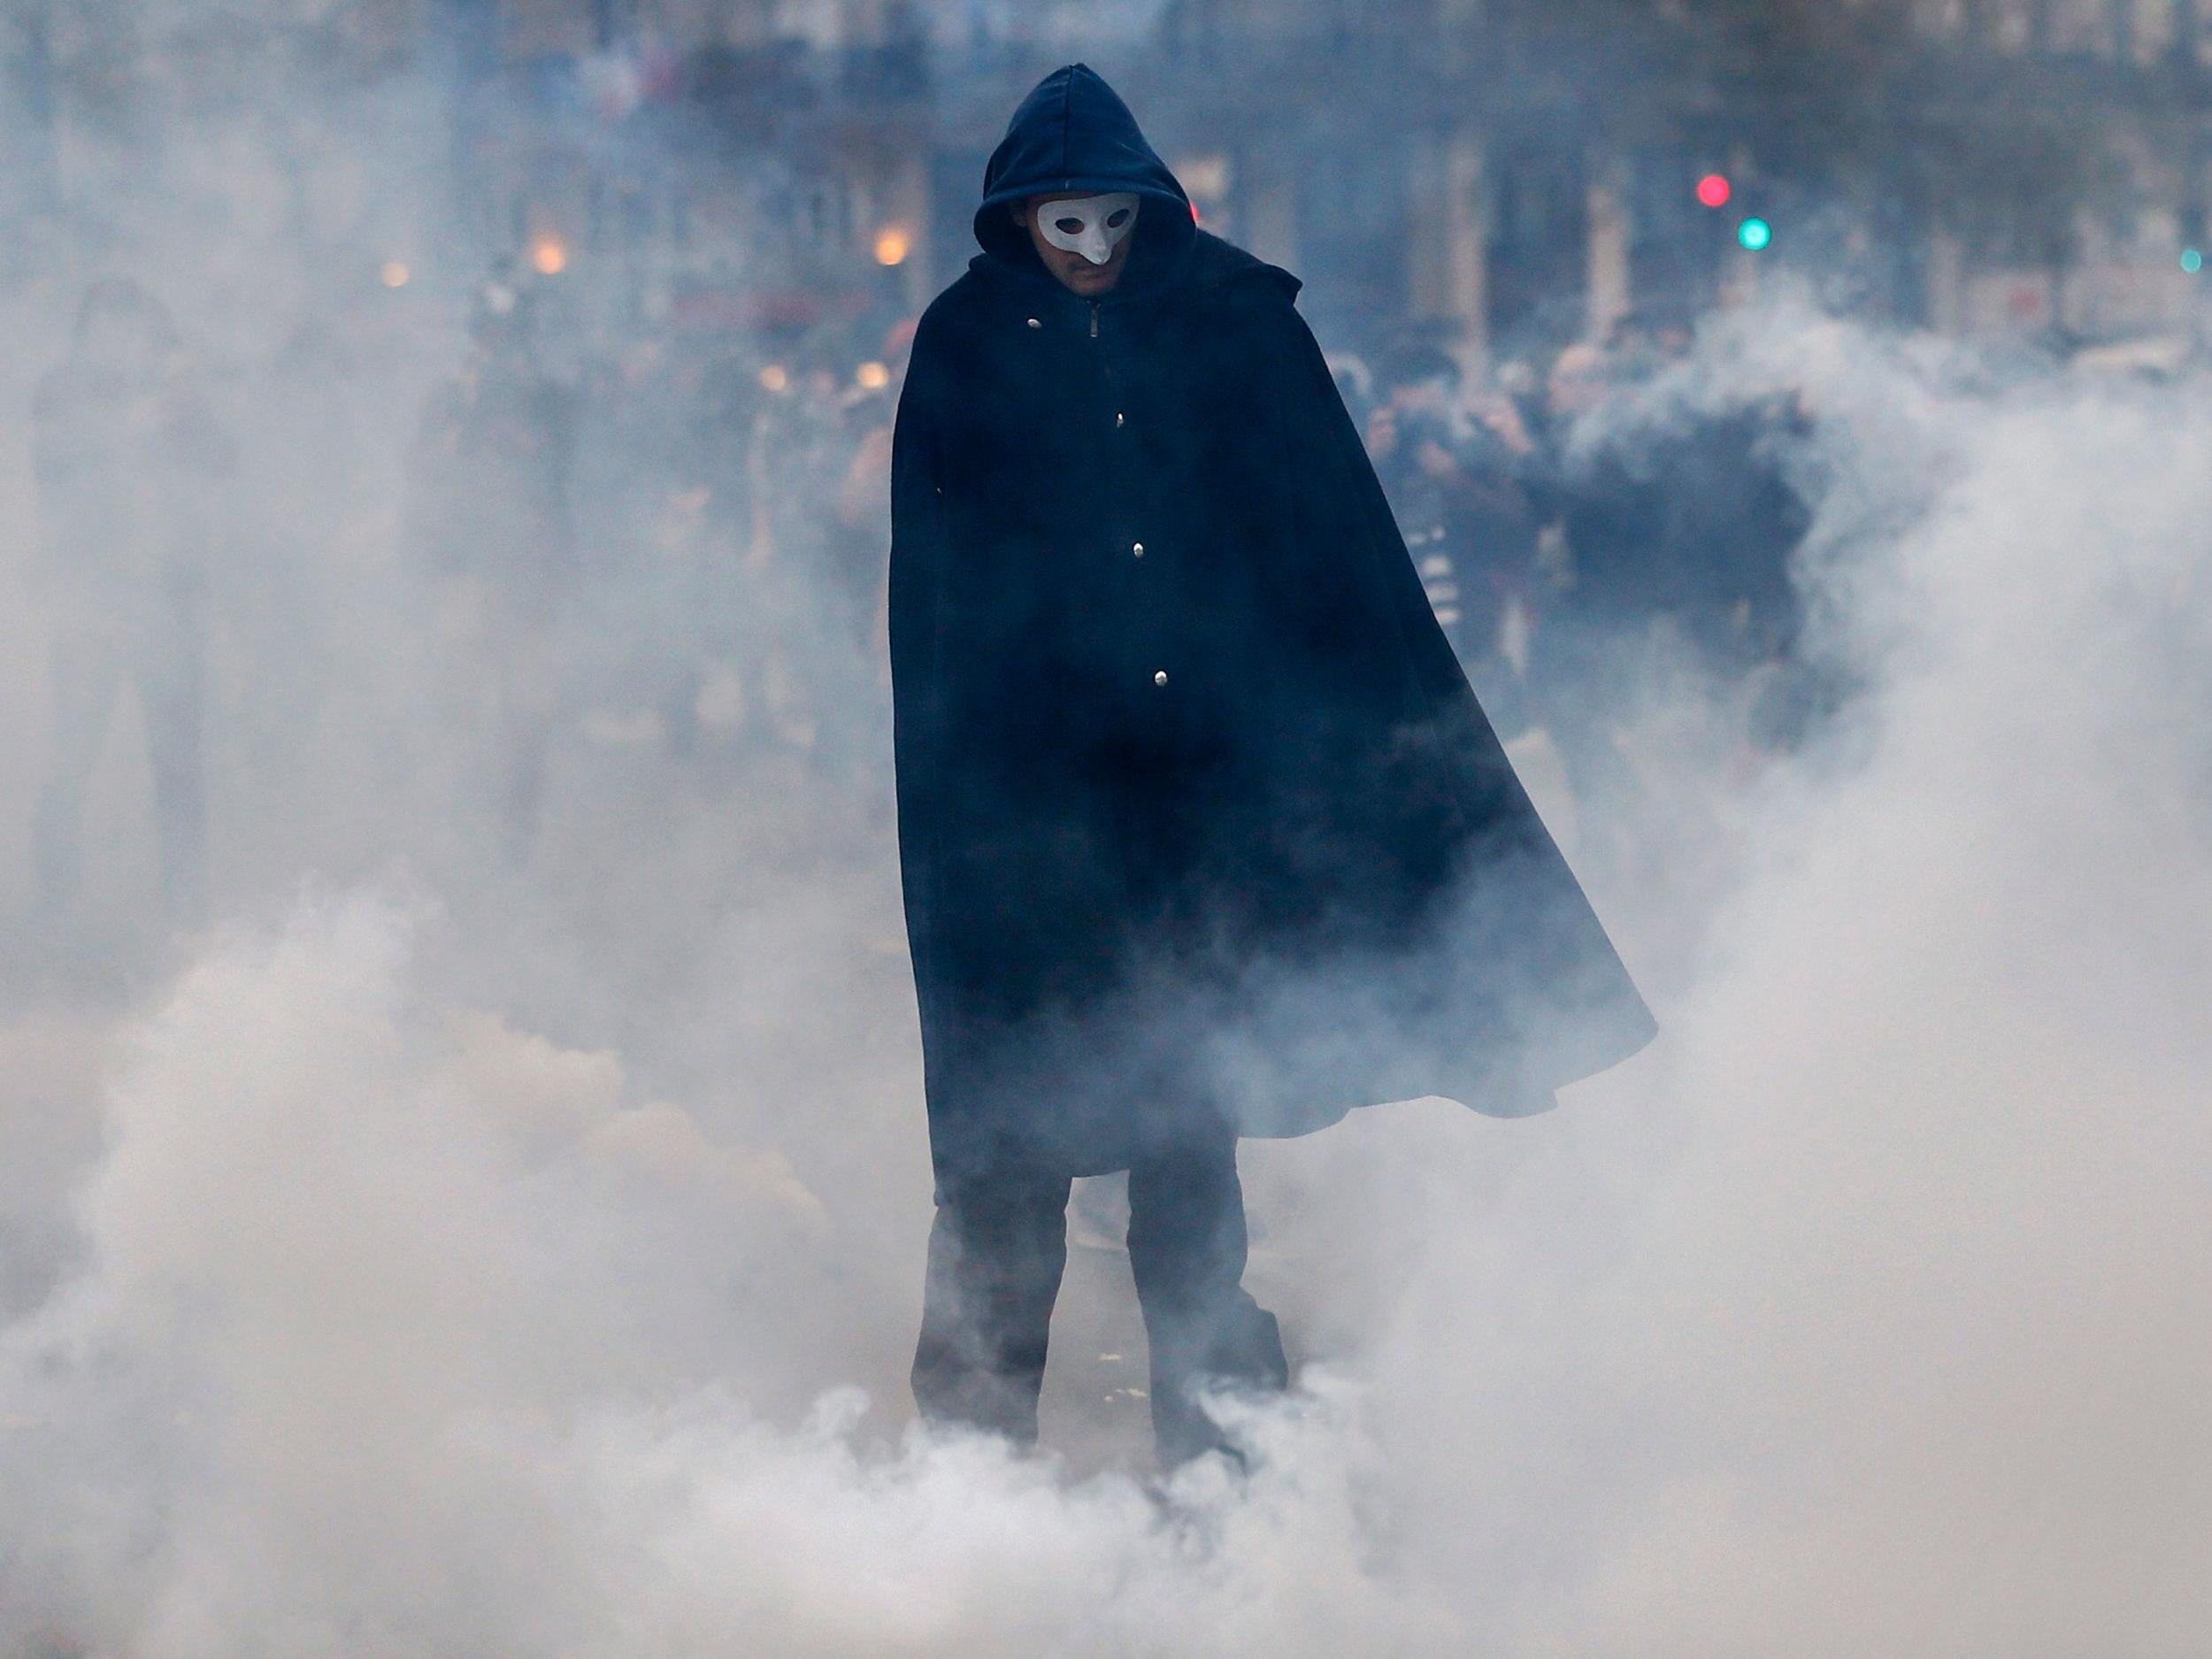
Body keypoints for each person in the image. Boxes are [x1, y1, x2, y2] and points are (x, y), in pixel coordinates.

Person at [889, 65, 1655, 1468]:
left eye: (1113, 223)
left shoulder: (1237, 324)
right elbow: (930, 604)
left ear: (1146, 209)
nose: (1093, 253)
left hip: (1190, 817)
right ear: (1018, 221)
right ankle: (965, 1474)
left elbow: (1334, 562)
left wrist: (1334, 759)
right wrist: (958, 815)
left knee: (1187, 1141)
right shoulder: (963, 343)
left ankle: (1224, 1454)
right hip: (1024, 821)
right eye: (1066, 227)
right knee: (1005, 1154)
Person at [30, 279, 233, 926]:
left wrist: (189, 403)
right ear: (90, 335)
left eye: (137, 331)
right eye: (114, 329)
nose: (126, 344)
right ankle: (53, 898)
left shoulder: (172, 398)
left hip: (168, 605)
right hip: (94, 600)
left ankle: (185, 904)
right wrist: (125, 430)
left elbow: (224, 464)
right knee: (76, 750)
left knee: (179, 762)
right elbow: (55, 474)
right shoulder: (61, 392)